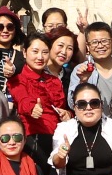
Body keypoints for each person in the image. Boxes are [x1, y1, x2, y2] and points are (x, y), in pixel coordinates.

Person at [50, 87, 112, 175]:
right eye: (82, 104)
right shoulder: (64, 129)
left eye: (94, 103)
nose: (88, 107)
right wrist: (61, 156)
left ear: (101, 105)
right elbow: (57, 164)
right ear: (74, 107)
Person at [8, 32, 67, 163]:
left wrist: (68, 114)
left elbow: (62, 107)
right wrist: (32, 109)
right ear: (24, 52)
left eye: (45, 52)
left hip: (57, 138)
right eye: (35, 51)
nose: (40, 57)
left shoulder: (54, 80)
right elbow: (22, 99)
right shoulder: (17, 80)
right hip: (33, 138)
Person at [70, 20, 112, 105]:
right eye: (94, 42)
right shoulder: (80, 70)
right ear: (88, 46)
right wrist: (83, 82)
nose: (100, 46)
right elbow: (72, 103)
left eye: (104, 41)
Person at [0, 7, 23, 90]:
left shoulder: (21, 57)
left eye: (10, 27)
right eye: (0, 27)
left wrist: (15, 71)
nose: (5, 30)